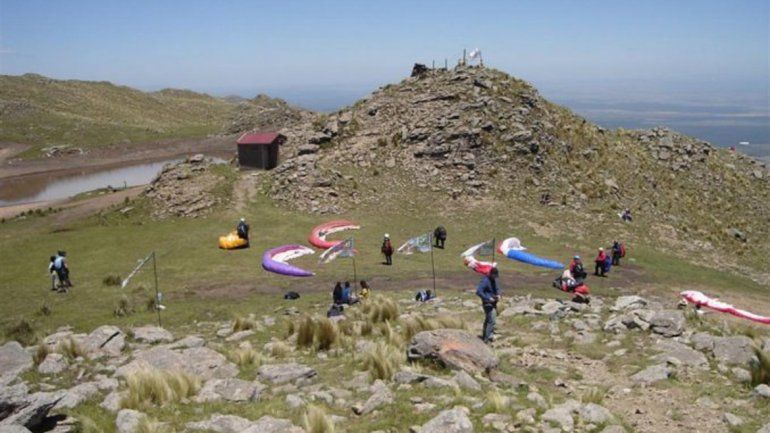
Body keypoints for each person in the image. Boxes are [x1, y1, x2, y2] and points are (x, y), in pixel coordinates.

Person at [476, 267, 501, 344]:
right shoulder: (485, 281)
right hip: (487, 303)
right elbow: (479, 291)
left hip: (494, 302)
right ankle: (488, 338)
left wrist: (499, 295)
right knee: (492, 320)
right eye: (494, 276)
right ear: (491, 274)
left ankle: (484, 336)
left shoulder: (494, 280)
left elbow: (497, 289)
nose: (495, 278)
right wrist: (488, 298)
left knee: (488, 319)